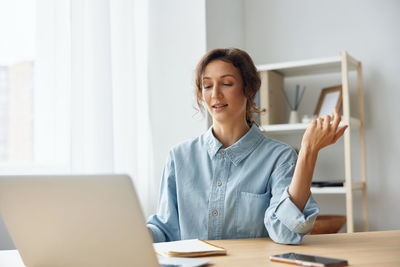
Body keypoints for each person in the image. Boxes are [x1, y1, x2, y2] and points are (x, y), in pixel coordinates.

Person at [146, 48, 347, 244]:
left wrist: (308, 152)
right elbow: (165, 230)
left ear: (249, 89)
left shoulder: (279, 157)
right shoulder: (179, 157)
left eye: (226, 83)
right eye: (207, 86)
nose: (215, 94)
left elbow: (285, 233)